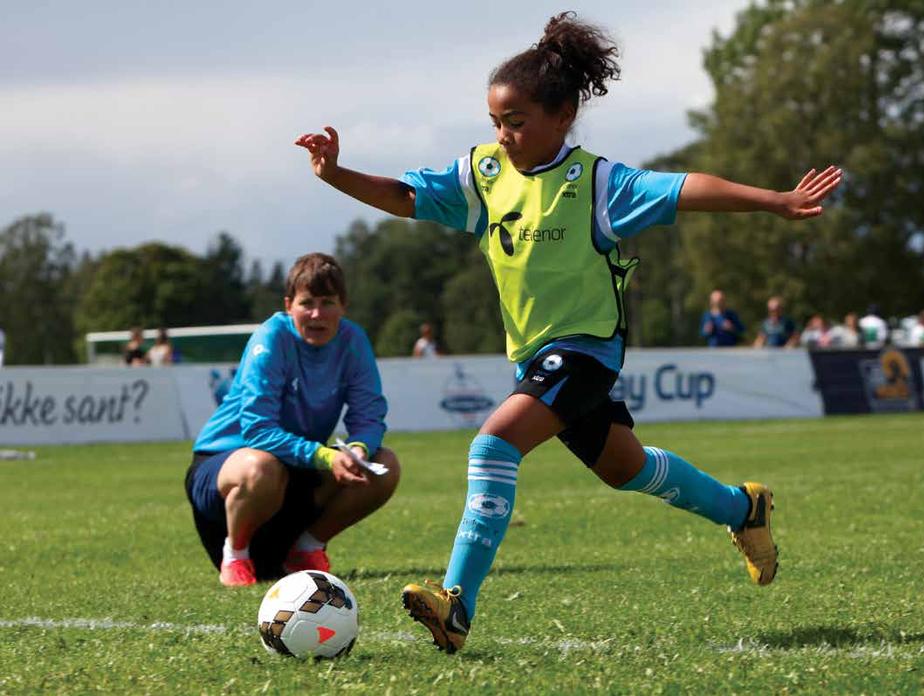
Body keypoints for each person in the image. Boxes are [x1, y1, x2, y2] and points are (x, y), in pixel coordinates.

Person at [296, 12, 841, 653]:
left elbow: (686, 189)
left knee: (492, 446)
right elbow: (404, 196)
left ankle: (457, 604)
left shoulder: (599, 185)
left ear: (563, 116)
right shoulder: (484, 177)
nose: (503, 136)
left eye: (517, 123)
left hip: (585, 352)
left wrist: (773, 200)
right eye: (496, 122)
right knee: (625, 468)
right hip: (537, 357)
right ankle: (741, 508)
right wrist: (335, 173)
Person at [185, 253, 400, 587]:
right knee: (261, 467)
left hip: (294, 470)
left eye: (327, 302)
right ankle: (236, 553)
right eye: (307, 303)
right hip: (230, 470)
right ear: (289, 305)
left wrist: (356, 449)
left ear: (343, 305)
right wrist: (328, 457)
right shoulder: (271, 338)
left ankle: (306, 548)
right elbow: (257, 429)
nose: (317, 314)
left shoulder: (353, 340)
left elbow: (369, 414)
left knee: (384, 465)